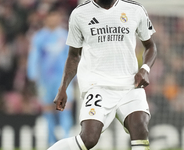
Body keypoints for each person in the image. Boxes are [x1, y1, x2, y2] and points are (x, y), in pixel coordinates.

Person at [48, 0, 157, 149]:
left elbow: (150, 46)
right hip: (97, 86)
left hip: (130, 86)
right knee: (88, 139)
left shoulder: (135, 9)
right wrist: (63, 88)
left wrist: (145, 69)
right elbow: (74, 56)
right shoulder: (80, 14)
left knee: (140, 129)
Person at [27, 7, 74, 146]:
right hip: (45, 80)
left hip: (64, 80)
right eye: (50, 16)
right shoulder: (39, 37)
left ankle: (66, 140)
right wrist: (32, 73)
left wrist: (74, 76)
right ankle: (51, 142)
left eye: (56, 16)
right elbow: (34, 57)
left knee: (65, 108)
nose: (53, 19)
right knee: (48, 110)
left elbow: (72, 56)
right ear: (46, 18)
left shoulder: (66, 35)